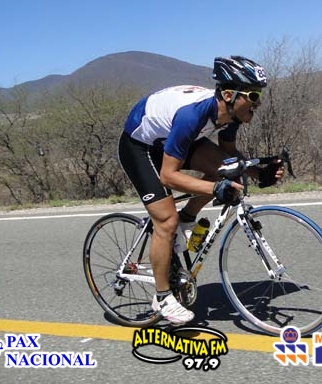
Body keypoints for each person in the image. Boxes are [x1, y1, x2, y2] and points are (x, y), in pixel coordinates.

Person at [117, 56, 285, 324]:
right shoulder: (192, 115)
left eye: (259, 95)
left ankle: (187, 219)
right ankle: (162, 297)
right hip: (140, 147)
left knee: (227, 170)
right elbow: (168, 176)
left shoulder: (231, 114)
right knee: (166, 220)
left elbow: (229, 157)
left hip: (174, 137)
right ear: (228, 95)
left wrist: (258, 171)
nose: (258, 103)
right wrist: (214, 188)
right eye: (253, 96)